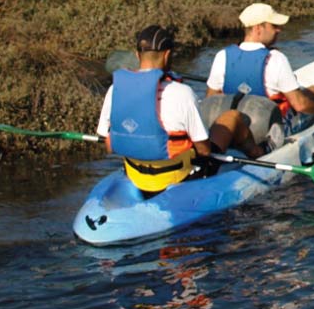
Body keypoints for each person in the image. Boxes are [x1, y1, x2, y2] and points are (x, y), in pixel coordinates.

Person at [98, 25, 266, 194]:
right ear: (167, 55)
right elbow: (204, 150)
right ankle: (261, 152)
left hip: (135, 174)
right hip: (179, 176)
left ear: (137, 55)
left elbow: (109, 145)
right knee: (231, 117)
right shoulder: (181, 93)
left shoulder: (115, 90)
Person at [206, 3, 314, 134]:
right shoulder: (275, 58)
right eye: (274, 26)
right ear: (258, 28)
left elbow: (210, 99)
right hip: (268, 128)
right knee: (312, 95)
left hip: (235, 126)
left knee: (313, 90)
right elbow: (301, 106)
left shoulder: (222, 56)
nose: (279, 30)